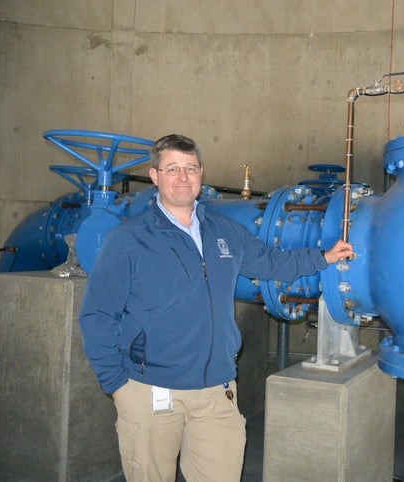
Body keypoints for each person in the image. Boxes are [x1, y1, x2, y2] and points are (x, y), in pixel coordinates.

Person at [79, 133, 354, 482]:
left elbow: (270, 263)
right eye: (173, 169)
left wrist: (323, 257)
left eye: (190, 168)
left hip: (215, 392)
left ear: (201, 173)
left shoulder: (225, 231)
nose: (183, 177)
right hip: (151, 391)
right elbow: (97, 314)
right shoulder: (129, 239)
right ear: (155, 176)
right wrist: (117, 385)